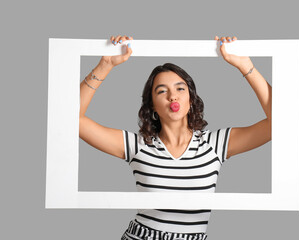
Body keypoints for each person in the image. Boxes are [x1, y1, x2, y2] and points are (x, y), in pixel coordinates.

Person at [79, 34, 272, 240]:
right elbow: (69, 119)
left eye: (180, 88)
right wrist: (105, 65)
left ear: (191, 99)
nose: (173, 96)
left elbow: (281, 122)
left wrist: (246, 66)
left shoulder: (215, 145)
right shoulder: (138, 145)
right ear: (152, 105)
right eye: (162, 91)